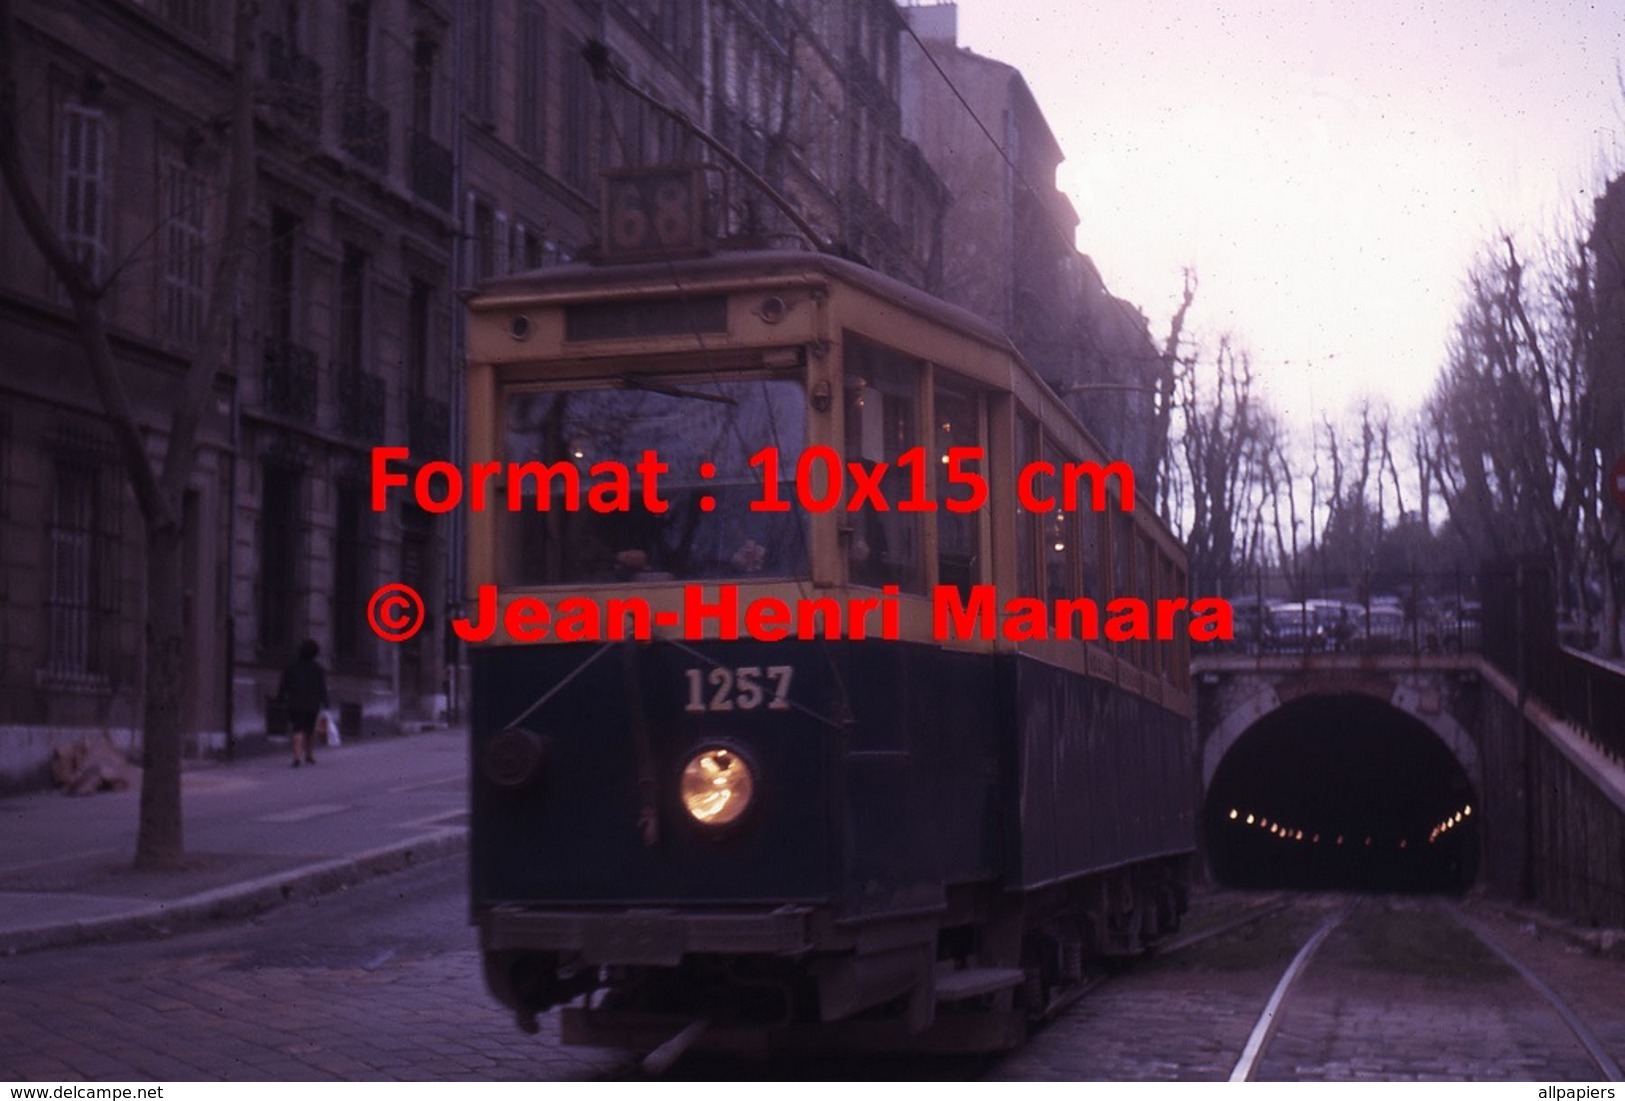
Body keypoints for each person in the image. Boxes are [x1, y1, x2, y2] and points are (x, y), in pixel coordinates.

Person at [277, 639, 329, 768]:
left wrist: (280, 698)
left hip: (295, 703)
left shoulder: (291, 667)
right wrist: (325, 702)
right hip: (312, 704)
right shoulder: (318, 669)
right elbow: (322, 687)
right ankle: (309, 755)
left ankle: (297, 757)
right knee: (310, 730)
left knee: (297, 729)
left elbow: (284, 685)